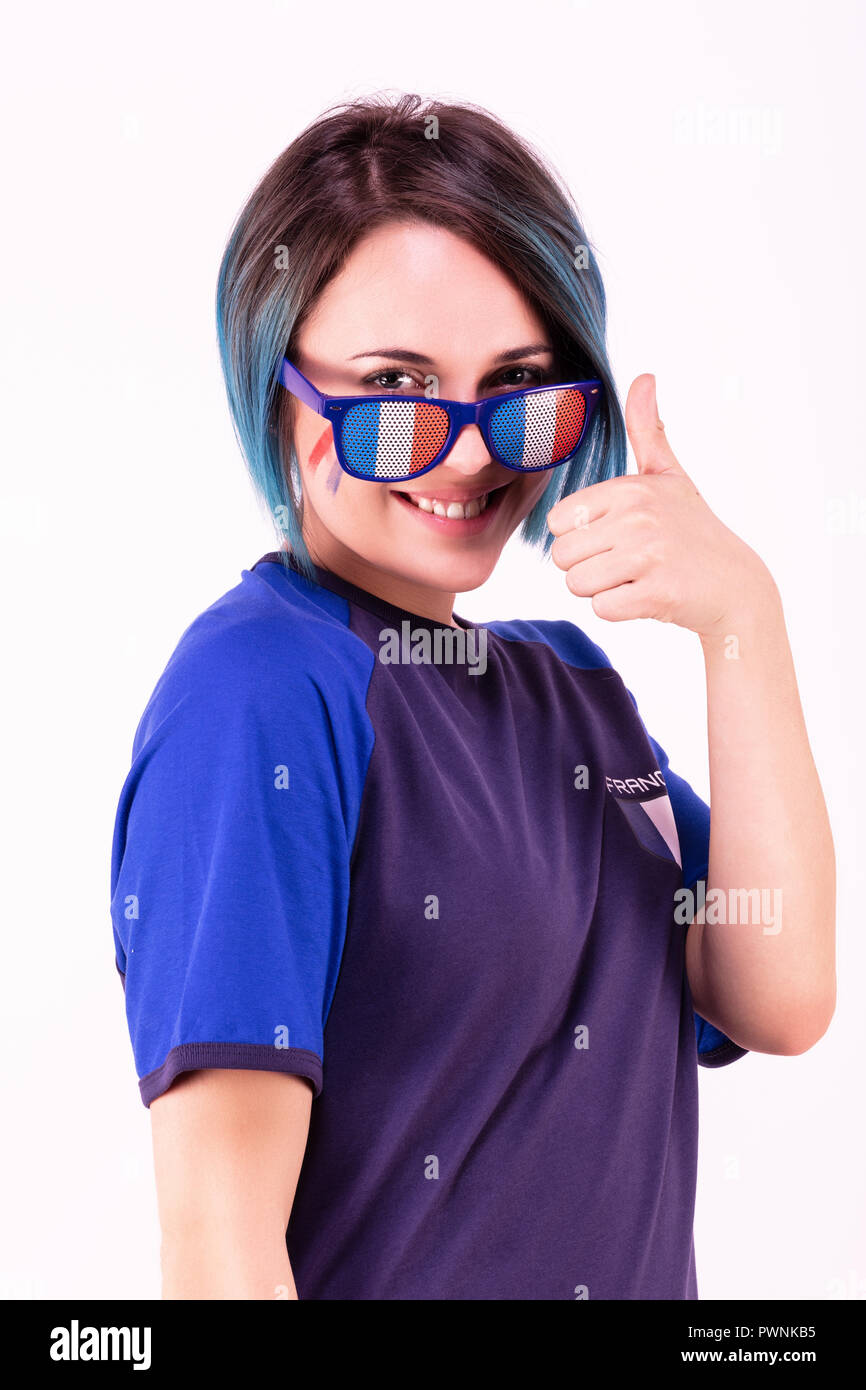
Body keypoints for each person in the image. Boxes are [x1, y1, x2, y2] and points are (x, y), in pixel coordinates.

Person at [110, 93, 835, 1300]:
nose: (465, 453)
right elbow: (217, 1251)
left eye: (517, 390)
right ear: (282, 386)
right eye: (396, 388)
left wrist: (741, 620)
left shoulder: (573, 693)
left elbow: (777, 992)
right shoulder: (259, 692)